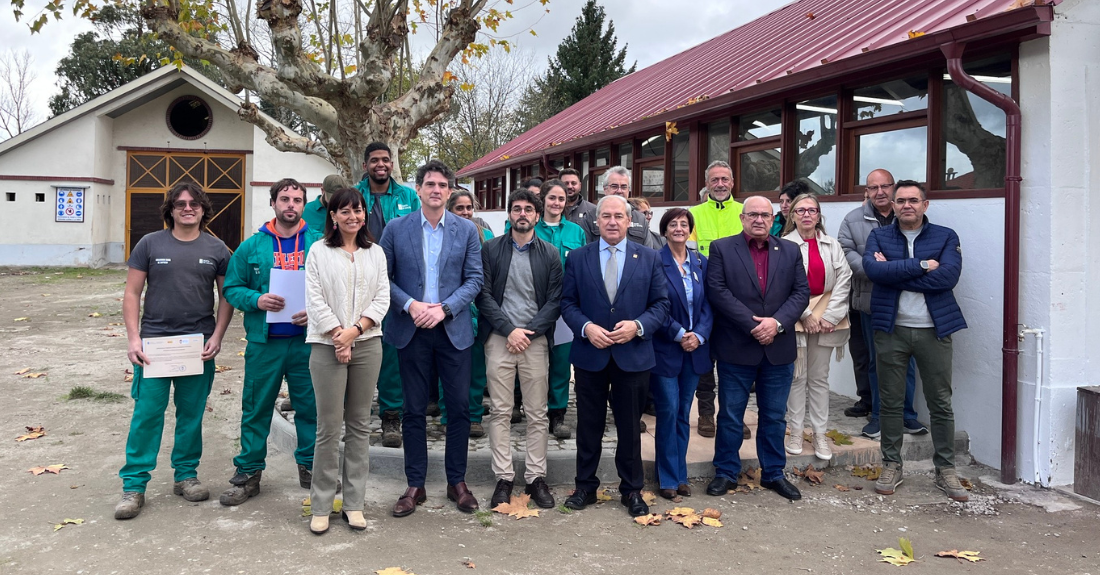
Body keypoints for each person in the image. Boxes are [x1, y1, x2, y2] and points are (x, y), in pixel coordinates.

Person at [115, 182, 233, 520]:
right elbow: (132, 293)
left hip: (196, 348)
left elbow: (227, 297)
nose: (187, 208)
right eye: (180, 203)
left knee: (191, 415)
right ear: (170, 209)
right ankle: (134, 486)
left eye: (194, 203)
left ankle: (185, 476)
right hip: (153, 346)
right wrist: (133, 339)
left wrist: (218, 335)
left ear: (203, 209)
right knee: (147, 415)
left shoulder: (218, 248)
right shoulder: (150, 244)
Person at [379, 160, 484, 517]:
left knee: (458, 408)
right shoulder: (396, 228)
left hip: (452, 330)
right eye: (430, 184)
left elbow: (474, 279)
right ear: (419, 189)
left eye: (442, 184)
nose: (436, 190)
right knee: (413, 410)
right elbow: (384, 277)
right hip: (411, 330)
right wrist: (410, 305)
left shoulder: (467, 231)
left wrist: (445, 308)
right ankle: (415, 484)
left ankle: (457, 482)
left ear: (450, 190)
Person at [560, 195, 669, 517]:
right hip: (590, 354)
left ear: (628, 220)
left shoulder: (649, 258)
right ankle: (585, 487)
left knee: (629, 427)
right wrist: (586, 328)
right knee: (588, 425)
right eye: (605, 215)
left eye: (617, 216)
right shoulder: (578, 258)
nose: (611, 221)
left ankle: (632, 489)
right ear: (597, 221)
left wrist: (637, 326)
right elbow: (568, 303)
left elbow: (661, 305)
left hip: (632, 356)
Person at [864, 181, 968, 502]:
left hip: (933, 330)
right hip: (890, 328)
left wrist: (894, 271)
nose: (906, 205)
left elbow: (948, 277)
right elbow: (872, 271)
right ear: (892, 206)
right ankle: (892, 464)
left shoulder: (946, 236)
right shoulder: (879, 235)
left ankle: (946, 469)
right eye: (900, 201)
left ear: (925, 204)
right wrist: (922, 266)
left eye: (913, 200)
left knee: (940, 403)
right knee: (891, 402)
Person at [220, 178, 320, 507]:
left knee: (311, 408)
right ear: (273, 203)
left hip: (308, 343)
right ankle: (248, 473)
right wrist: (256, 299)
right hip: (265, 343)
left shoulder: (319, 243)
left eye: (297, 200)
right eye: (285, 199)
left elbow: (334, 288)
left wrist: (316, 311)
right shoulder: (252, 247)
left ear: (304, 205)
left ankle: (310, 466)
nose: (291, 205)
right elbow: (231, 288)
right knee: (256, 407)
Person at [705, 196, 809, 502]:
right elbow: (717, 291)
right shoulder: (722, 248)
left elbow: (801, 292)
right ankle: (725, 472)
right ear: (742, 217)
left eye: (765, 214)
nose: (759, 220)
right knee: (731, 416)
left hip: (778, 347)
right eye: (753, 214)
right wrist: (754, 324)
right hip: (737, 345)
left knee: (775, 416)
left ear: (772, 218)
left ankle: (774, 473)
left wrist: (775, 323)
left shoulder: (789, 250)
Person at [304, 187, 390, 534]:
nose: (352, 216)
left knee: (358, 425)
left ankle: (354, 504)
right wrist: (338, 336)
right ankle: (322, 504)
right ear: (333, 217)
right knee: (328, 427)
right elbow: (313, 298)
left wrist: (355, 331)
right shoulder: (318, 252)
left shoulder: (376, 253)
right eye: (344, 211)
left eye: (358, 210)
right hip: (326, 345)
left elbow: (382, 297)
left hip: (367, 344)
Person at [478, 189, 563, 510]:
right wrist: (509, 329)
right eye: (517, 209)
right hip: (500, 338)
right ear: (509, 215)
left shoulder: (551, 254)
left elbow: (555, 300)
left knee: (537, 412)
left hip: (535, 340)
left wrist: (528, 332)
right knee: (500, 411)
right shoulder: (491, 250)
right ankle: (503, 477)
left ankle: (536, 477)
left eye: (529, 209)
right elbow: (483, 294)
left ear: (538, 216)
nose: (522, 214)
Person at [837, 169, 926, 438]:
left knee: (906, 361)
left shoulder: (909, 217)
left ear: (894, 187)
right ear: (866, 191)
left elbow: (919, 255)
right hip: (870, 300)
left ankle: (907, 415)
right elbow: (845, 253)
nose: (879, 192)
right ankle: (878, 416)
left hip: (906, 299)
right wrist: (878, 269)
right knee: (878, 361)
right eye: (873, 187)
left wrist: (895, 269)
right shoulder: (853, 220)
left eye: (885, 186)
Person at [354, 142, 421, 449]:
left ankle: (391, 417)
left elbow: (419, 234)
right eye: (374, 160)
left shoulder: (408, 196)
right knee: (358, 344)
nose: (380, 165)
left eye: (385, 160)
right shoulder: (355, 195)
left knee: (392, 350)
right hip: (360, 278)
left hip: (398, 281)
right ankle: (354, 413)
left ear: (392, 163)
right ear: (365, 164)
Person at [780, 193, 852, 461]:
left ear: (819, 215)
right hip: (797, 316)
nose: (807, 215)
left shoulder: (833, 245)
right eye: (801, 210)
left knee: (820, 379)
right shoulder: (784, 244)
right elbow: (783, 284)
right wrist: (806, 314)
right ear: (793, 215)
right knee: (797, 377)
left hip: (827, 318)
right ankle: (796, 431)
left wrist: (830, 316)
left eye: (812, 210)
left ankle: (820, 433)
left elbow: (844, 279)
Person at [651, 208, 712, 500]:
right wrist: (678, 334)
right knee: (668, 412)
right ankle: (667, 478)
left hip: (694, 350)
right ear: (664, 231)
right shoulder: (655, 261)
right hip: (666, 348)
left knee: (683, 415)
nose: (679, 228)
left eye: (684, 224)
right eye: (673, 224)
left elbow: (709, 306)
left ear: (691, 230)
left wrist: (698, 335)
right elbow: (653, 306)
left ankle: (680, 474)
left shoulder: (701, 262)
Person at [688, 160, 744, 439]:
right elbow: (686, 258)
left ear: (732, 183)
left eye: (725, 179)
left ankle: (734, 415)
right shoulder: (693, 215)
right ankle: (706, 413)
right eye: (714, 180)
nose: (720, 184)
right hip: (704, 301)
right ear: (707, 184)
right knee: (705, 361)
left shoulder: (745, 213)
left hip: (740, 301)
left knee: (736, 363)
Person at [437, 189, 493, 438]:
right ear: (449, 210)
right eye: (460, 208)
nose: (466, 212)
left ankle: (473, 415)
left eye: (469, 207)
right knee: (448, 366)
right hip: (450, 309)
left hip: (478, 309)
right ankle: (448, 414)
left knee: (476, 367)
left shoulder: (487, 236)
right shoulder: (441, 236)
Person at [536, 179, 588, 439]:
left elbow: (582, 269)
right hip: (534, 306)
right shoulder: (530, 228)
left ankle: (557, 416)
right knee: (534, 362)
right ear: (543, 200)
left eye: (561, 199)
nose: (556, 203)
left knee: (560, 363)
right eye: (552, 198)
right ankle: (533, 411)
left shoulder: (576, 232)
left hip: (565, 308)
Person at [601, 166, 661, 249]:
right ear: (605, 189)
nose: (619, 191)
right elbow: (586, 252)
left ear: (628, 190)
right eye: (614, 186)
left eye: (623, 187)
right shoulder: (590, 217)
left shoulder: (640, 218)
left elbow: (647, 254)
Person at [560, 168, 599, 243]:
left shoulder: (593, 210)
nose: (570, 186)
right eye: (566, 183)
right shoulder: (553, 210)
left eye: (574, 183)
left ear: (580, 186)